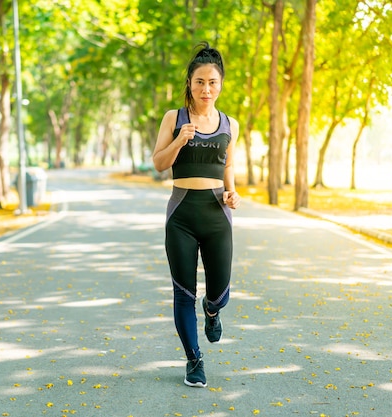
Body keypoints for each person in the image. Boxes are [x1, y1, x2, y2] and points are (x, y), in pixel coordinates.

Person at [152, 41, 241, 388]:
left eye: (213, 82)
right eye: (200, 81)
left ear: (220, 85)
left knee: (219, 291)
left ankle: (213, 309)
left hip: (218, 214)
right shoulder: (174, 118)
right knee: (182, 292)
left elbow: (228, 164)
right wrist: (178, 141)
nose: (207, 89)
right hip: (182, 215)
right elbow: (159, 163)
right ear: (189, 82)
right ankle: (194, 360)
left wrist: (232, 192)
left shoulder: (229, 123)